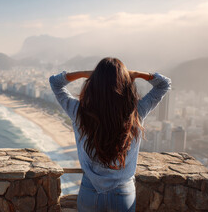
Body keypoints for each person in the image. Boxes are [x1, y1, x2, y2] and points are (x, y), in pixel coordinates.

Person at [49, 57, 171, 212]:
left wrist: (86, 74)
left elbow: (55, 83)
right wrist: (136, 74)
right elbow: (164, 84)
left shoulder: (80, 112)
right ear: (125, 83)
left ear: (94, 83)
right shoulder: (135, 113)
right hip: (123, 193)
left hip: (90, 192)